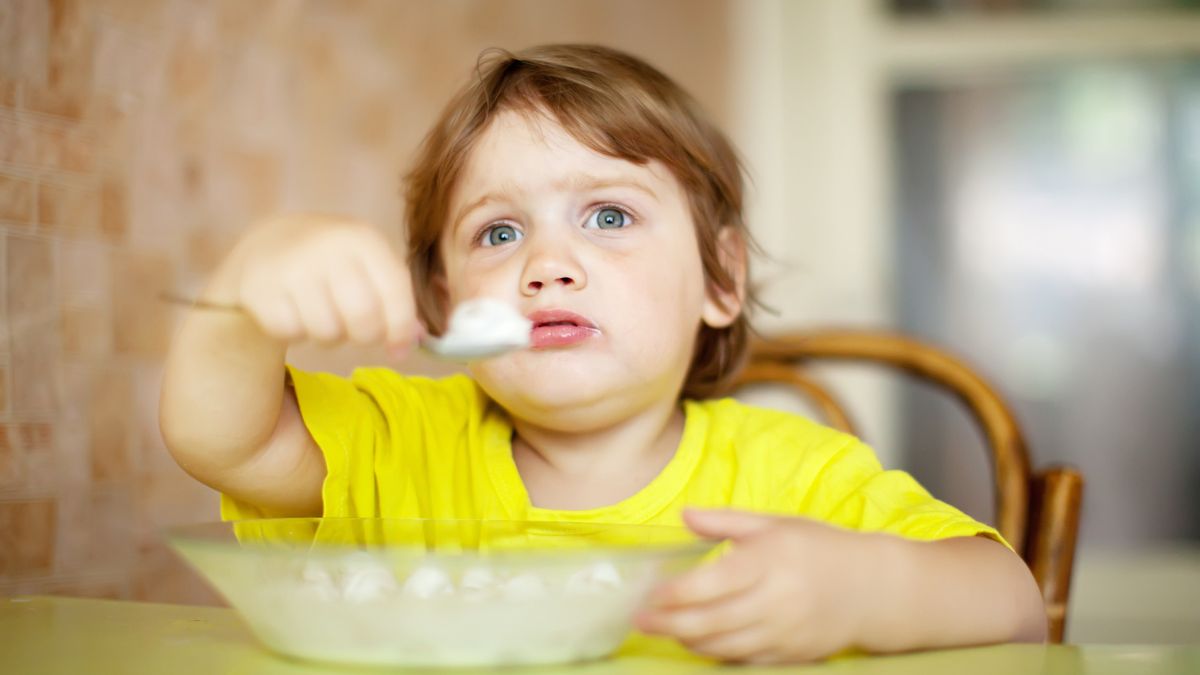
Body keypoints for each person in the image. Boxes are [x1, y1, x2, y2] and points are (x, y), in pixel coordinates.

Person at [160, 44, 1046, 664]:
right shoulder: (402, 440)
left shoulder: (793, 473)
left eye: (610, 217)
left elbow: (1013, 604)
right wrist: (244, 295)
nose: (548, 266)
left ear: (720, 279)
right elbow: (221, 438)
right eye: (499, 232)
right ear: (440, 300)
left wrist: (863, 589)